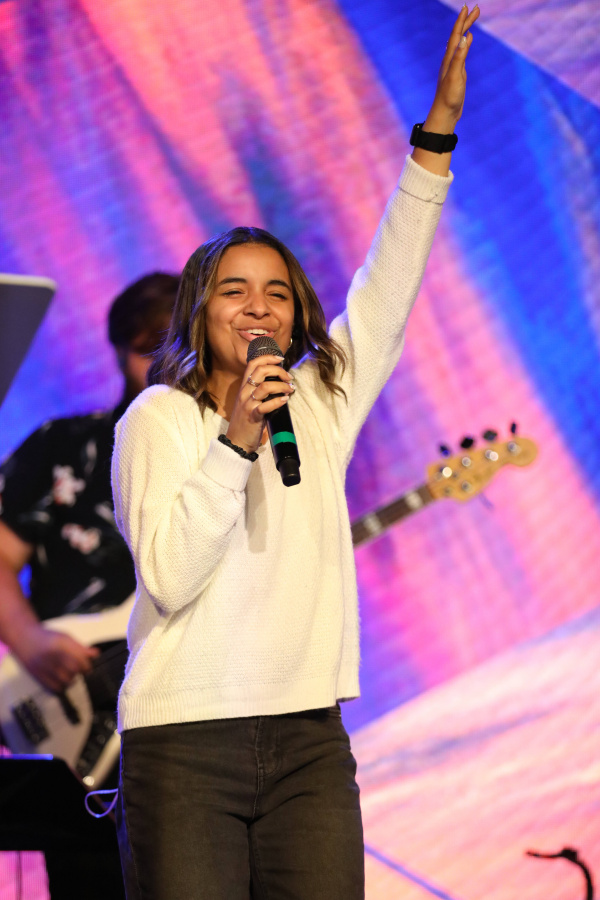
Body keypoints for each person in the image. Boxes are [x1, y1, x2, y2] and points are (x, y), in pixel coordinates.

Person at [112, 9, 479, 900]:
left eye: (276, 292)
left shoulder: (317, 402)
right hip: (185, 744)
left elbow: (388, 285)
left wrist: (434, 138)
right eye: (233, 291)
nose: (258, 307)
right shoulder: (157, 419)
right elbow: (169, 574)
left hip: (310, 740)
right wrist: (236, 437)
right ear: (199, 312)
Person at [0, 272, 178, 900]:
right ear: (119, 350)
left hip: (190, 729)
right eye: (147, 346)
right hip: (79, 726)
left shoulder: (231, 456)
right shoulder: (63, 446)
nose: (163, 363)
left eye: (179, 343)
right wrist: (30, 642)